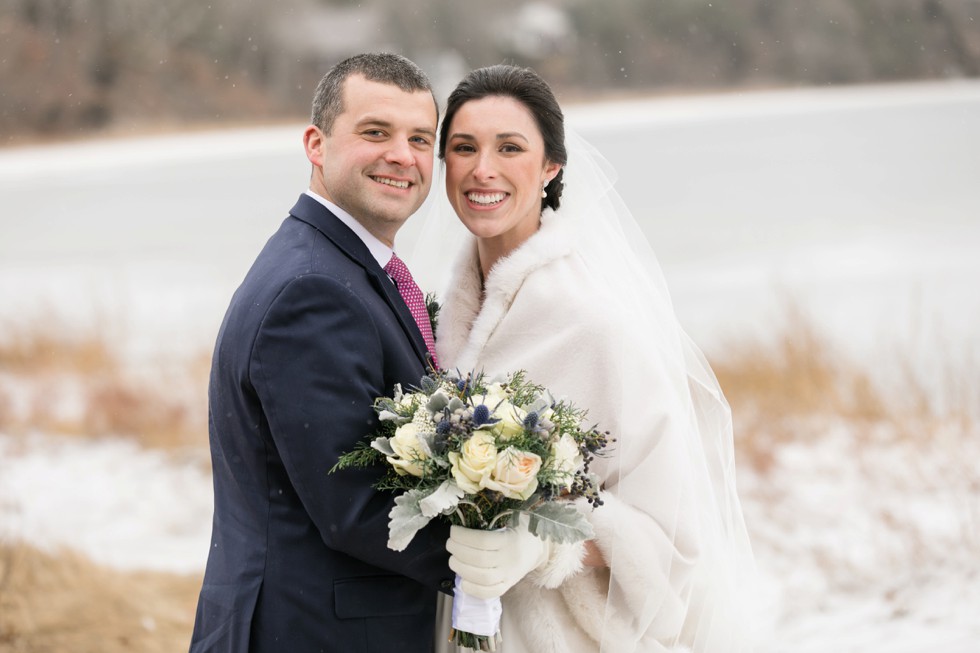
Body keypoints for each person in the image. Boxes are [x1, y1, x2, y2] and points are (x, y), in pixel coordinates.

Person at [417, 65, 761, 652]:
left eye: (510, 148)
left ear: (551, 166)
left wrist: (544, 541)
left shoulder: (596, 321)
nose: (483, 169)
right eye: (464, 147)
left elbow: (672, 534)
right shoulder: (446, 311)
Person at [189, 53, 453, 653]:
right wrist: (504, 551)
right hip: (311, 632)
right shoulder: (314, 292)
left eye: (419, 138)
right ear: (316, 143)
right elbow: (355, 507)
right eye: (375, 132)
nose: (402, 156)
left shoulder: (335, 266)